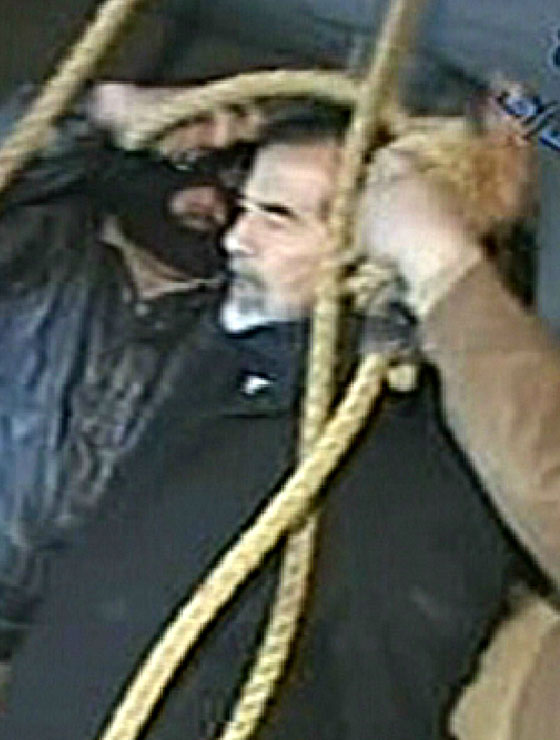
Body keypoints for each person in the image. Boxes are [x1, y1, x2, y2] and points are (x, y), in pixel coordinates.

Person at [0, 87, 541, 739]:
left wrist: (456, 253)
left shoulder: (408, 467)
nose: (236, 238)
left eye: (278, 216)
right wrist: (93, 113)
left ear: (380, 252)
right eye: (247, 208)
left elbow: (376, 700)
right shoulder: (229, 379)